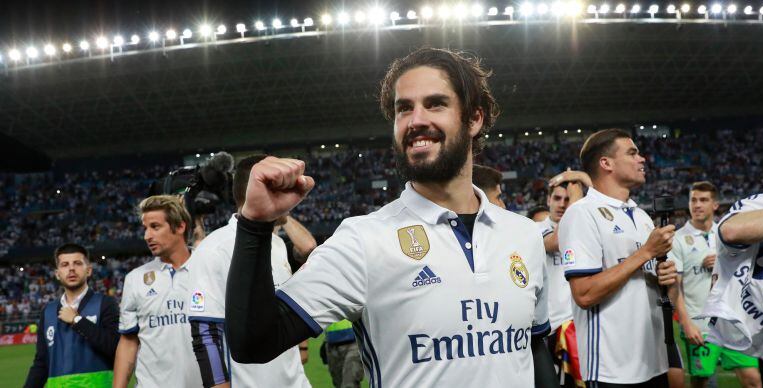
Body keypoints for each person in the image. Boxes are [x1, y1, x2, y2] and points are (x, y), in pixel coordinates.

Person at [225, 47, 558, 387]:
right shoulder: (364, 240)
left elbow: (533, 346)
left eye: (435, 104)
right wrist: (255, 223)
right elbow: (254, 342)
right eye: (404, 109)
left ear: (474, 119)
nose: (416, 121)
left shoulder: (523, 235)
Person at [558, 128, 678, 387]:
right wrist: (645, 252)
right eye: (632, 153)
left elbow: (666, 299)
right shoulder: (582, 214)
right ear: (606, 163)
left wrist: (668, 281)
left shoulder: (642, 217)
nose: (642, 159)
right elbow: (584, 294)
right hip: (612, 369)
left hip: (653, 361)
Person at [188, 155, 313, 388]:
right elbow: (206, 331)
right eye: (280, 188)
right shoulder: (214, 249)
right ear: (256, 190)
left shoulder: (275, 244)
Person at [672, 182, 761, 388]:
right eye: (693, 200)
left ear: (715, 205)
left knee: (753, 381)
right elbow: (674, 286)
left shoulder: (728, 233)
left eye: (703, 200)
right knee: (702, 382)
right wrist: (686, 324)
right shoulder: (678, 239)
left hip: (733, 324)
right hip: (700, 326)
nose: (697, 205)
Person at [113, 195, 202, 388]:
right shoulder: (135, 279)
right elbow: (128, 342)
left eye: (155, 227)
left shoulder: (207, 271)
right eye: (145, 228)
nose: (147, 236)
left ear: (180, 227)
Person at [24, 243, 120, 388]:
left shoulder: (106, 304)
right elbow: (42, 363)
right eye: (64, 264)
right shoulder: (48, 311)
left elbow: (116, 348)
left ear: (88, 270)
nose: (71, 269)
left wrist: (77, 320)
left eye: (77, 263)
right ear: (57, 274)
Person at [699, 191, 763, 382]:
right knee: (701, 377)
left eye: (703, 200)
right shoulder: (760, 204)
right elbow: (731, 231)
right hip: (723, 319)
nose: (697, 205)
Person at [540, 170, 592, 387]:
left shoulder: (588, 227)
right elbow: (556, 241)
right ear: (548, 200)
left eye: (568, 199)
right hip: (554, 330)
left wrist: (581, 176)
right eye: (558, 198)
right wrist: (577, 203)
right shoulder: (534, 230)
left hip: (586, 324)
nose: (562, 204)